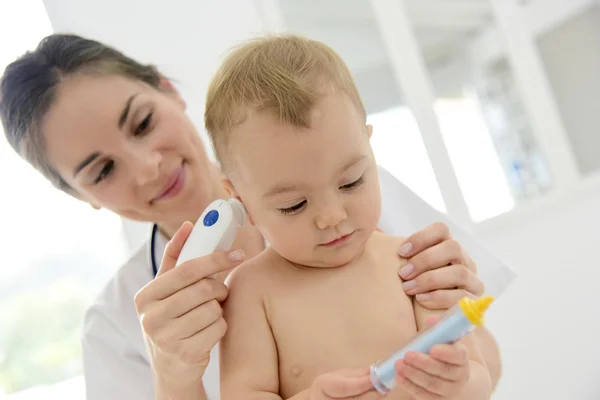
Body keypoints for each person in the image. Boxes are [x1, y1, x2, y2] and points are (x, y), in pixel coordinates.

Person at [0, 33, 505, 400]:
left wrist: (457, 374)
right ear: (79, 196)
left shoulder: (365, 199)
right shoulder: (128, 323)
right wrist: (174, 378)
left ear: (168, 91)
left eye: (143, 122)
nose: (148, 166)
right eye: (103, 169)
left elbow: (482, 360)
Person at [205, 34, 492, 400]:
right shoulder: (250, 292)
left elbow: (479, 378)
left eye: (352, 182)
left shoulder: (413, 264)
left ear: (370, 147)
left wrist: (457, 382)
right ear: (240, 199)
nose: (331, 216)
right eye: (294, 205)